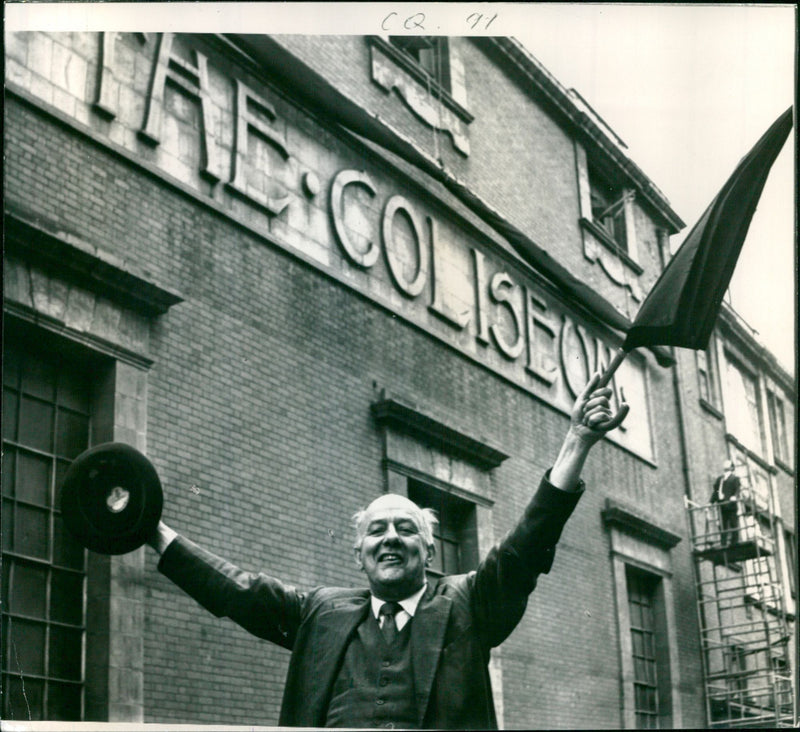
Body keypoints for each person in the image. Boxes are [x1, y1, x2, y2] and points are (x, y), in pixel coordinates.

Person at [147, 373, 628, 729]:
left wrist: (576, 442)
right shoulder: (321, 613)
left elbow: (525, 550)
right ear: (359, 556)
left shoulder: (467, 605)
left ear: (430, 552)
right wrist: (154, 533)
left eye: (406, 529)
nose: (391, 538)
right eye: (377, 531)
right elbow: (240, 591)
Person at [710, 459, 741, 547]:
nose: (725, 466)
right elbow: (715, 492)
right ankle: (723, 542)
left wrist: (735, 496)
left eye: (728, 464)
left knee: (733, 523)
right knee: (722, 525)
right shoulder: (720, 479)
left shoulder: (735, 478)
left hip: (731, 505)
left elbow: (737, 489)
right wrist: (710, 502)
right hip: (722, 505)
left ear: (731, 467)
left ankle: (734, 542)